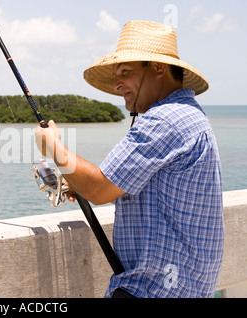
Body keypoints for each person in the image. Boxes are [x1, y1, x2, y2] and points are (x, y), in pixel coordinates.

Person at [35, 20, 224, 298]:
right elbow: (157, 198)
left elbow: (100, 188)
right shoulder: (190, 115)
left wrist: (54, 147)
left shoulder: (165, 119)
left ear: (158, 68)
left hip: (153, 290)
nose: (116, 83)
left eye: (125, 72)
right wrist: (80, 183)